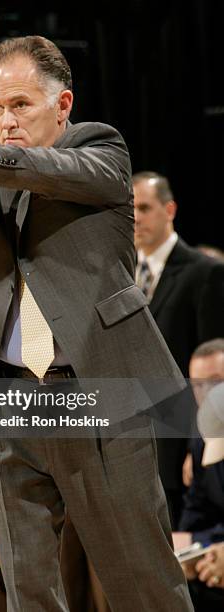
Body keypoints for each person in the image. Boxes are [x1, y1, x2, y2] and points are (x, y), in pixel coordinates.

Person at [0, 35, 193, 611]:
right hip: (7, 391)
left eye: (21, 105)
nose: (6, 119)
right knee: (26, 584)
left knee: (140, 579)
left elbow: (52, 172)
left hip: (95, 388)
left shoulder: (99, 148)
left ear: (63, 104)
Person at [133, 171, 224, 527]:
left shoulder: (205, 273)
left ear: (169, 209)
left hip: (178, 445)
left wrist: (197, 445)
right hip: (132, 441)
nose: (136, 217)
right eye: (130, 208)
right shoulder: (120, 273)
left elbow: (213, 371)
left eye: (145, 207)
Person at [172, 339, 224, 611]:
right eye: (198, 386)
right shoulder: (202, 436)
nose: (206, 394)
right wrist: (192, 549)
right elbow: (196, 508)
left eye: (215, 382)